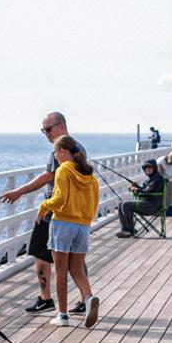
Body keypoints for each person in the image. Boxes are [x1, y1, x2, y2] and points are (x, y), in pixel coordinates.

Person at [1, 112, 89, 315]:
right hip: (76, 215)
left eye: (48, 129)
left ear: (61, 127)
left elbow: (48, 176)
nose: (46, 133)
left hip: (55, 214)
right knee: (75, 261)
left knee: (41, 255)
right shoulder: (78, 149)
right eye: (43, 130)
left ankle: (48, 300)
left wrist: (20, 191)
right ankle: (86, 299)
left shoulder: (61, 151)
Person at [36, 135, 100, 328]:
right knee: (77, 269)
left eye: (55, 152)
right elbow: (94, 204)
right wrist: (84, 221)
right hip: (82, 227)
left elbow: (59, 199)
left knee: (61, 271)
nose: (55, 156)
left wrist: (43, 206)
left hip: (63, 224)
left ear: (63, 151)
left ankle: (62, 315)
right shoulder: (89, 175)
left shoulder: (63, 169)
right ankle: (88, 298)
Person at [116, 159, 165, 237]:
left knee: (126, 205)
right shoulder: (152, 179)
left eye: (149, 167)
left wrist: (135, 189)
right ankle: (125, 230)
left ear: (154, 167)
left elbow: (148, 192)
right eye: (145, 167)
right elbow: (146, 191)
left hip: (152, 206)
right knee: (120, 205)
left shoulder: (157, 178)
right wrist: (136, 186)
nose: (147, 168)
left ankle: (130, 231)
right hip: (147, 204)